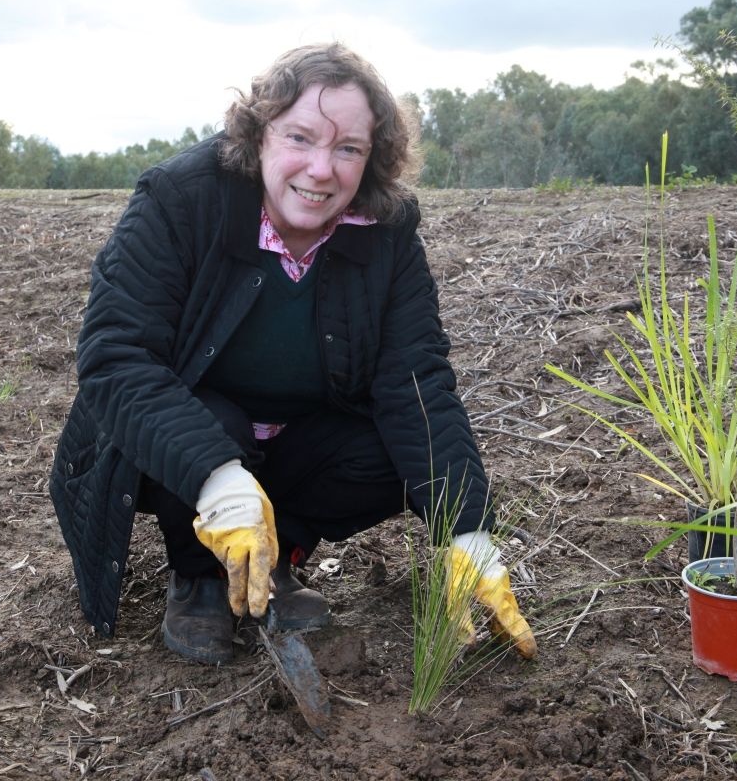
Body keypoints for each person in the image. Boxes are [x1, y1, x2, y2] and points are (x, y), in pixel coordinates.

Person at [50, 42, 537, 665]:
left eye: (348, 149)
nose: (321, 169)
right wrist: (220, 478)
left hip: (297, 434)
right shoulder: (181, 199)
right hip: (187, 436)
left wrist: (467, 530)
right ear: (259, 136)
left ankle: (277, 558)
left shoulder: (387, 230)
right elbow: (115, 359)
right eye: (301, 137)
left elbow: (416, 379)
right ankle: (199, 573)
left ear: (374, 158)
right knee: (213, 422)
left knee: (396, 451)